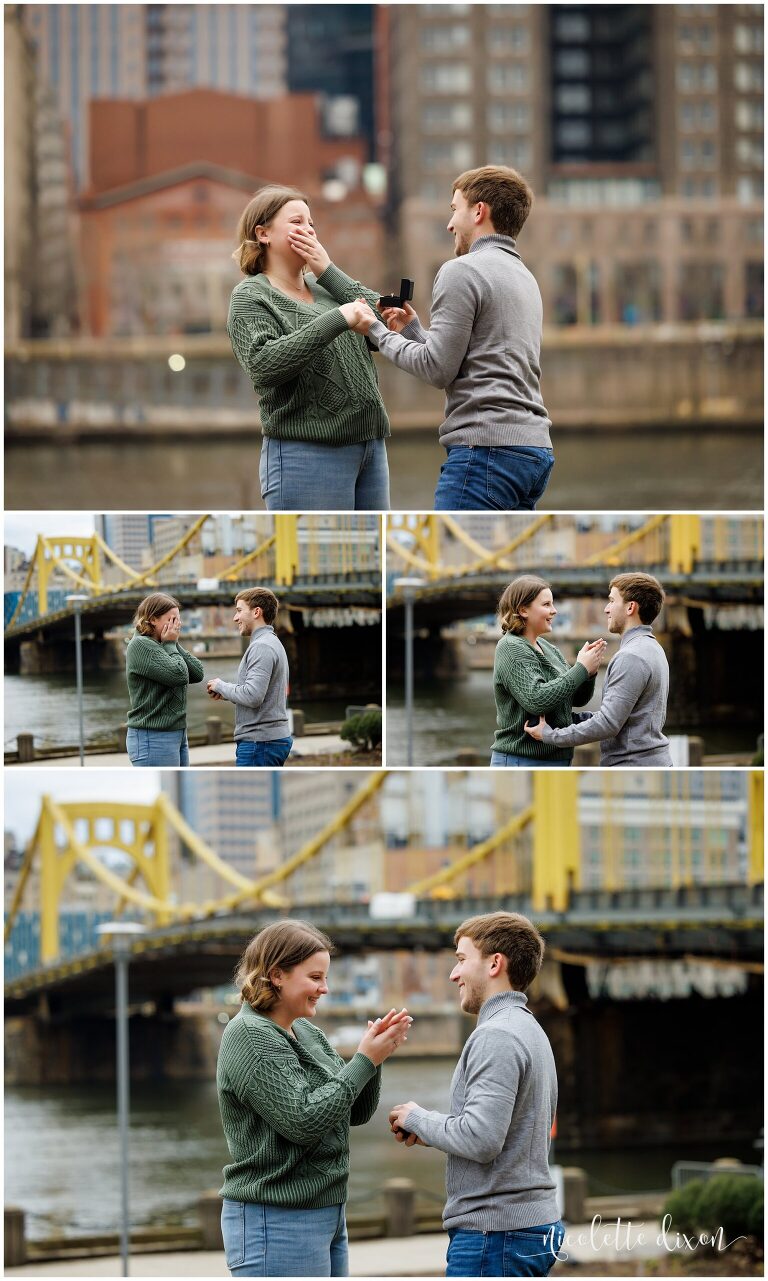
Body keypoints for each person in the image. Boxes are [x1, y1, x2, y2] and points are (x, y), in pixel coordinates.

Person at [217, 919, 412, 1277]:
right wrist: (365, 1059)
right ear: (277, 975)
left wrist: (374, 1058)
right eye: (315, 977)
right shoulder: (248, 1035)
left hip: (326, 1212)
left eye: (325, 977)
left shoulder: (305, 1031)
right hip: (276, 1220)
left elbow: (355, 1112)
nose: (324, 988)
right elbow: (303, 1122)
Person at [352, 165, 554, 511]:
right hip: (534, 452)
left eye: (454, 210)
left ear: (479, 211)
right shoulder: (525, 277)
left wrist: (375, 329)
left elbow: (437, 370)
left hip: (485, 450)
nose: (449, 224)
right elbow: (477, 356)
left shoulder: (460, 270)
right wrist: (414, 332)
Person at [388, 911, 564, 1278]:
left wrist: (417, 1116)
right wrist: (434, 1133)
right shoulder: (529, 1028)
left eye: (461, 960)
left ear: (495, 963)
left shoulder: (495, 1035)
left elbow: (483, 1139)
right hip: (525, 1227)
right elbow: (503, 1130)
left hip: (496, 1233)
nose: (454, 974)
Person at [228, 184, 391, 511]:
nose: (309, 230)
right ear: (264, 234)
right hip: (306, 452)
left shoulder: (327, 287)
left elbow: (390, 321)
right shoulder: (250, 297)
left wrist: (329, 271)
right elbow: (263, 364)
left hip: (370, 448)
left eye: (311, 223)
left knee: (372, 552)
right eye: (297, 222)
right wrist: (338, 319)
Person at [524, 572, 673, 767]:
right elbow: (624, 716)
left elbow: (608, 724)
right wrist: (570, 719)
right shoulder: (653, 648)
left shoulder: (630, 657)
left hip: (631, 766)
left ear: (630, 607)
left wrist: (551, 735)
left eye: (612, 601)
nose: (606, 609)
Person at [491, 575, 605, 767]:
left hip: (558, 758)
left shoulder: (548, 648)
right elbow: (537, 700)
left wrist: (589, 672)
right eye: (546, 605)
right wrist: (580, 669)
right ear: (523, 610)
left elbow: (576, 699)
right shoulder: (510, 647)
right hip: (522, 760)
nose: (554, 611)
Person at [207, 587, 292, 767]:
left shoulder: (261, 647)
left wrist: (221, 685)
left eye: (239, 611)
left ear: (256, 612)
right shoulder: (271, 642)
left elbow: (253, 696)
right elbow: (260, 693)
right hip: (266, 740)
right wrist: (229, 693)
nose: (235, 618)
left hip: (259, 742)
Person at [125, 592, 204, 767]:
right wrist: (170, 643)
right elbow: (179, 675)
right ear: (153, 619)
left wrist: (172, 643)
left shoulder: (163, 644)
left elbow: (197, 673)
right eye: (173, 619)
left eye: (179, 619)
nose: (178, 624)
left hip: (176, 733)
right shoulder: (140, 645)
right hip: (153, 737)